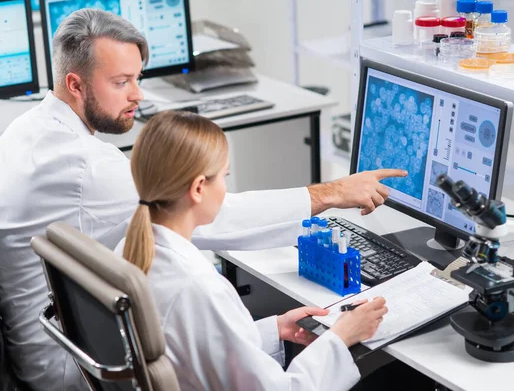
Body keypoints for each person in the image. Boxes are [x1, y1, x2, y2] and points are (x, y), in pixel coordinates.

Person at [0, 9, 406, 390]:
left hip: (61, 341)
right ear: (75, 84)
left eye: (137, 79)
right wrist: (331, 194)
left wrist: (268, 331)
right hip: (65, 367)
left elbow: (193, 338)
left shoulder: (23, 134)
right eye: (121, 82)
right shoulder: (88, 170)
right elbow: (222, 218)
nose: (138, 95)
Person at [120, 110, 388, 390]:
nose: (225, 189)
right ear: (199, 188)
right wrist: (342, 336)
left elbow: (199, 344)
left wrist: (275, 329)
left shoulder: (130, 247)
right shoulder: (199, 288)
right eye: (224, 177)